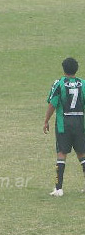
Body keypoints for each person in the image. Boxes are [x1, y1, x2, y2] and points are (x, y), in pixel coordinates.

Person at [44, 57, 85, 196]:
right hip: (80, 123)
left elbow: (52, 104)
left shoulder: (59, 83)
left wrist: (46, 120)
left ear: (63, 69)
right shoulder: (83, 84)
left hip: (64, 124)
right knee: (82, 154)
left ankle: (58, 188)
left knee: (61, 154)